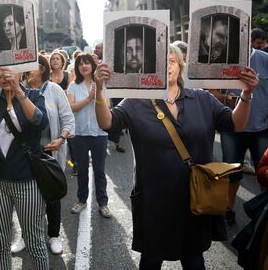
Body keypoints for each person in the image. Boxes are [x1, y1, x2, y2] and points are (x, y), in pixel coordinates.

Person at [93, 44, 258, 269]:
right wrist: (99, 88)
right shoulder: (136, 101)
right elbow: (106, 123)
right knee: (151, 259)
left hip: (194, 198)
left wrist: (246, 94)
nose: (166, 66)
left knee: (193, 260)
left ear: (180, 66)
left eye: (171, 61)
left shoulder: (202, 99)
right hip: (154, 200)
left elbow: (236, 124)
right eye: (159, 62)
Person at [0, 65, 50, 270]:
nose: (5, 76)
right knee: (0, 240)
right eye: (1, 71)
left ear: (23, 72)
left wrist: (19, 93)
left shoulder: (34, 95)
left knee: (34, 240)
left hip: (27, 181)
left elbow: (39, 122)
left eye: (10, 71)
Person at [11, 55, 75, 256]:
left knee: (51, 196)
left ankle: (54, 235)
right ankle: (25, 236)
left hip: (49, 156)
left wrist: (61, 139)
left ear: (41, 68)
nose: (27, 71)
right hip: (24, 156)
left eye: (31, 66)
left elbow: (68, 120)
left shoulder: (54, 90)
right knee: (25, 198)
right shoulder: (16, 90)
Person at [213, 47, 268, 226]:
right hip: (232, 128)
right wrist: (230, 99)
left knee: (264, 173)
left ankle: (263, 211)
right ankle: (229, 208)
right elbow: (212, 92)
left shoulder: (263, 58)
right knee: (231, 171)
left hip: (262, 128)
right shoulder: (220, 59)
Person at [67, 53, 111, 218]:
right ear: (77, 67)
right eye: (80, 64)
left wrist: (97, 94)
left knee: (100, 170)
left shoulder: (102, 83)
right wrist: (89, 98)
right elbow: (71, 107)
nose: (84, 66)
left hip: (99, 132)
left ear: (93, 65)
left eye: (87, 63)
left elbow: (107, 105)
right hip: (80, 133)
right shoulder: (73, 85)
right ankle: (81, 200)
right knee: (82, 169)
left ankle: (103, 203)